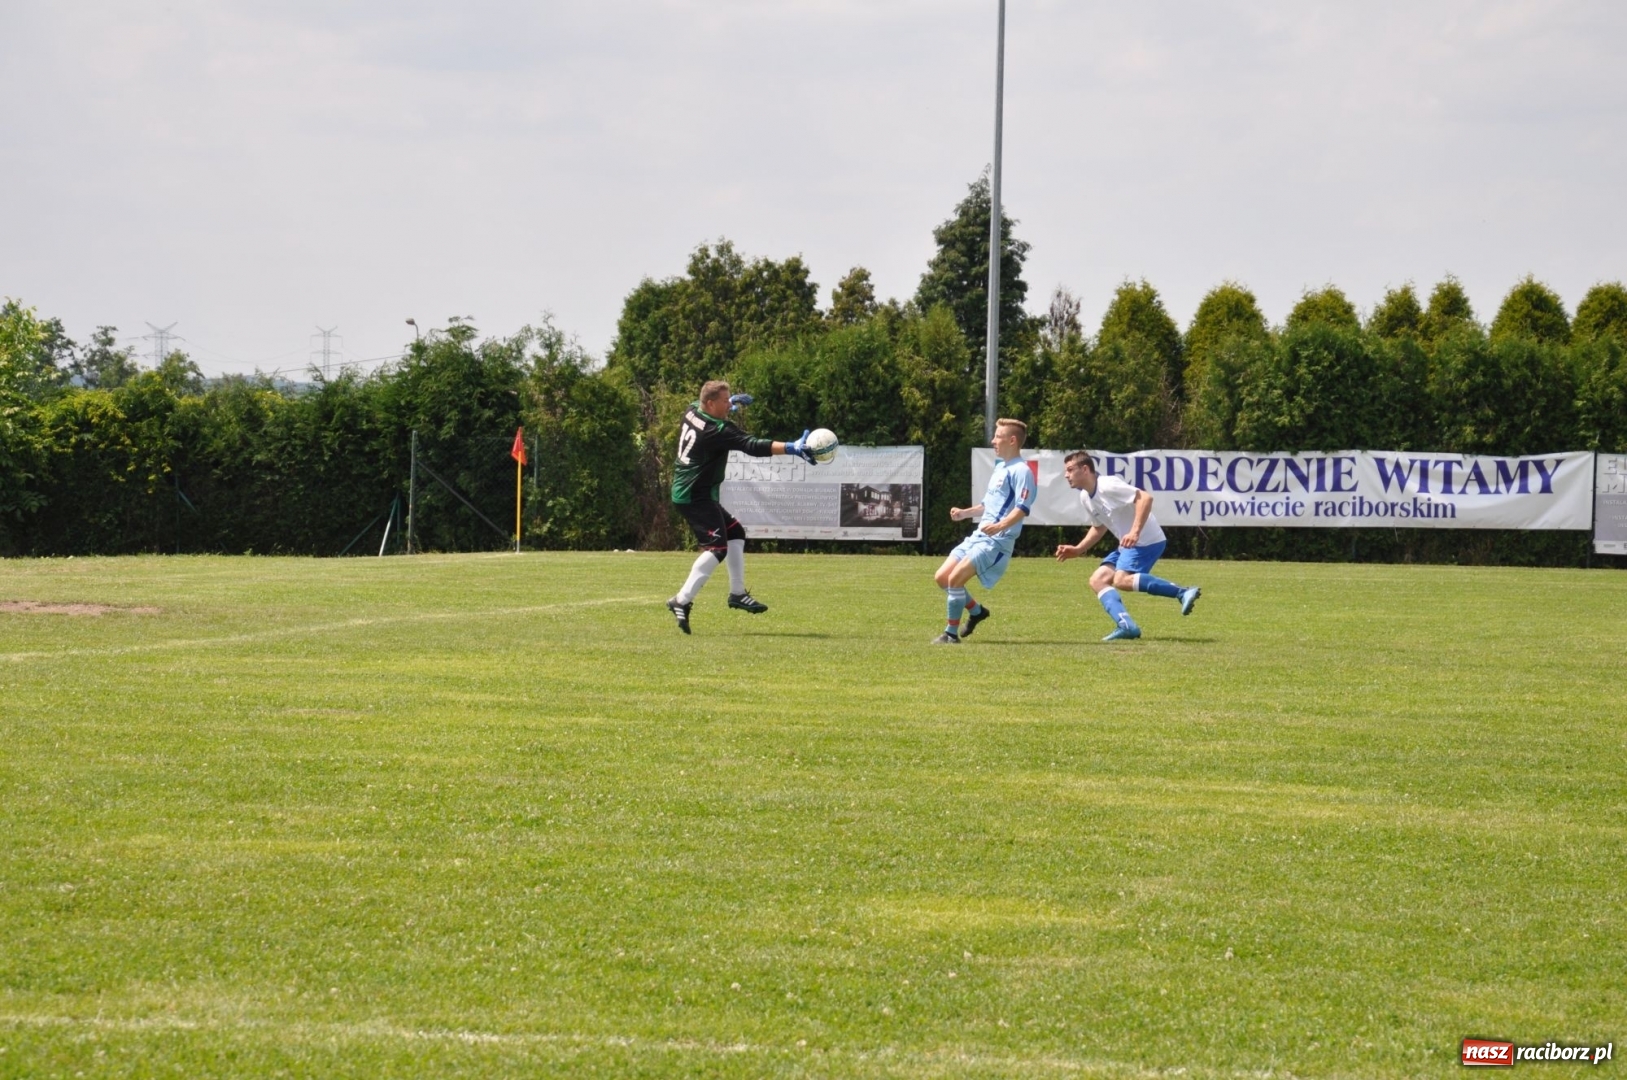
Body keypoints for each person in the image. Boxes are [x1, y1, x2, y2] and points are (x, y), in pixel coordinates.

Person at [665, 380, 816, 634]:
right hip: (694, 495)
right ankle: (681, 600)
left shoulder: (693, 410)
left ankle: (737, 594)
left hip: (693, 491)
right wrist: (792, 448)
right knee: (717, 548)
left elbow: (709, 407)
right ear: (711, 403)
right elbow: (752, 445)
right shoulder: (717, 430)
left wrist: (731, 402)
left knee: (735, 533)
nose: (729, 405)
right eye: (724, 401)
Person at [1055, 450, 1200, 641]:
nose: (1066, 475)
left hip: (1146, 540)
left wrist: (1135, 532)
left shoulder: (1107, 485)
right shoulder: (1085, 497)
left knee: (1121, 580)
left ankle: (1182, 592)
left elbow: (1145, 498)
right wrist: (1078, 549)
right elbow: (1099, 527)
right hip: (1129, 543)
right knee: (1097, 580)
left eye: (1070, 470)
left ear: (1085, 469)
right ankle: (1127, 626)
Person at [930, 418, 1036, 644]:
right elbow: (988, 505)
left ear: (1012, 440)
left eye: (998, 436)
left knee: (956, 579)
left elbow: (1022, 509)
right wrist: (964, 513)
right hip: (979, 535)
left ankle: (950, 634)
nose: (993, 440)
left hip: (996, 541)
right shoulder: (1000, 468)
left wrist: (998, 527)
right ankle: (977, 611)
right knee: (942, 578)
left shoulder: (1022, 471)